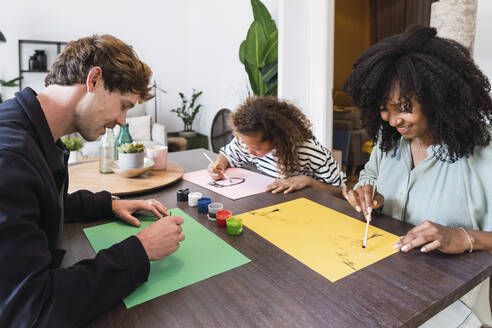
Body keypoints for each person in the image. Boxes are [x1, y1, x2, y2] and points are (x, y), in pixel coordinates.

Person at [0, 34, 185, 327]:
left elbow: (41, 204)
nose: (123, 121)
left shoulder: (32, 133)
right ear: (94, 80)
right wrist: (140, 250)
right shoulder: (9, 157)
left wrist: (109, 204)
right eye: (123, 105)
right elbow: (35, 311)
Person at [342, 25, 492, 327]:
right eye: (384, 108)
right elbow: (368, 176)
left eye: (404, 108)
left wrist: (459, 236)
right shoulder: (390, 142)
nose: (393, 119)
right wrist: (368, 194)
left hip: (454, 308)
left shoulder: (483, 154)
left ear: (438, 97)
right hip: (386, 288)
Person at [208, 96, 346, 195]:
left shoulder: (311, 153)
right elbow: (227, 154)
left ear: (276, 138)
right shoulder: (248, 142)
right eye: (245, 144)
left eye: (256, 148)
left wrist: (308, 181)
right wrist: (219, 164)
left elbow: (341, 192)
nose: (249, 152)